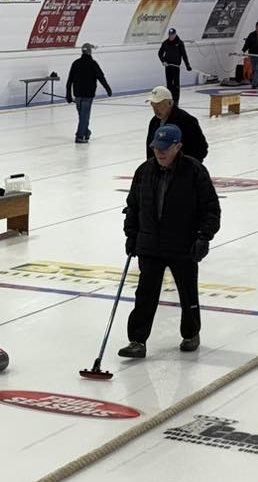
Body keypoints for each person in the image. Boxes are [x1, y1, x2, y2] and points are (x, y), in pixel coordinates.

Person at [119, 124, 220, 357]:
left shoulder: (194, 171)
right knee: (144, 295)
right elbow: (133, 206)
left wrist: (204, 237)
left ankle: (191, 333)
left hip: (182, 244)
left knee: (187, 293)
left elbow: (211, 208)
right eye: (156, 148)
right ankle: (137, 341)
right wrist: (131, 234)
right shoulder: (144, 171)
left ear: (178, 146)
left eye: (165, 148)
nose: (160, 153)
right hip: (150, 245)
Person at [144, 85, 209, 162]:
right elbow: (150, 149)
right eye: (153, 105)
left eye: (158, 104)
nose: (155, 109)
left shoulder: (187, 121)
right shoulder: (154, 122)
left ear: (170, 103)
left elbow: (201, 149)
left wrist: (184, 167)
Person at [67, 43, 111, 144]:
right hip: (88, 95)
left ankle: (86, 132)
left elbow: (70, 80)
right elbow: (101, 77)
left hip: (77, 94)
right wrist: (107, 88)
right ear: (90, 52)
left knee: (82, 116)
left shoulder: (76, 63)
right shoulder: (93, 63)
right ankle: (80, 136)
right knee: (84, 116)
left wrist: (68, 93)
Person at [158, 27, 189, 103]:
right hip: (168, 66)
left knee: (176, 85)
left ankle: (176, 101)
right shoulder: (165, 43)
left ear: (175, 34)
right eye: (169, 35)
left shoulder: (179, 43)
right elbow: (160, 53)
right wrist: (163, 61)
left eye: (172, 35)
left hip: (176, 67)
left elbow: (184, 55)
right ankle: (169, 100)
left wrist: (187, 65)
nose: (171, 36)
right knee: (169, 85)